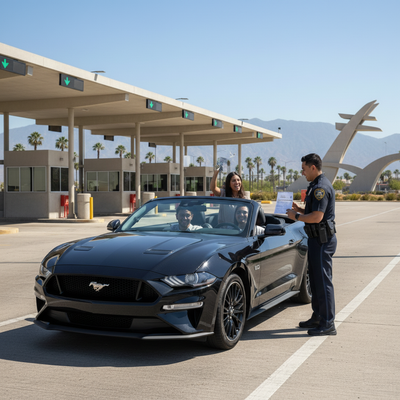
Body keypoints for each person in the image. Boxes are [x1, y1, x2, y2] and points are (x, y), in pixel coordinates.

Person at [286, 153, 337, 336]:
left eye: (304, 169)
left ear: (313, 167)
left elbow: (317, 217)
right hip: (316, 240)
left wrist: (296, 217)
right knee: (315, 281)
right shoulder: (315, 186)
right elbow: (313, 211)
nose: (303, 173)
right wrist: (299, 209)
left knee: (323, 282)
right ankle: (318, 316)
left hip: (323, 241)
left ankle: (328, 323)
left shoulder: (320, 188)